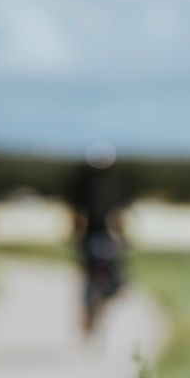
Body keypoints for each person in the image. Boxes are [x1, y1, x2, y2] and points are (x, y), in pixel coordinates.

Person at [68, 142, 124, 332]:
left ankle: (92, 311)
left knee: (101, 279)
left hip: (101, 237)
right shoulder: (105, 184)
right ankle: (91, 311)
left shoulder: (88, 184)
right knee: (97, 279)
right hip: (95, 237)